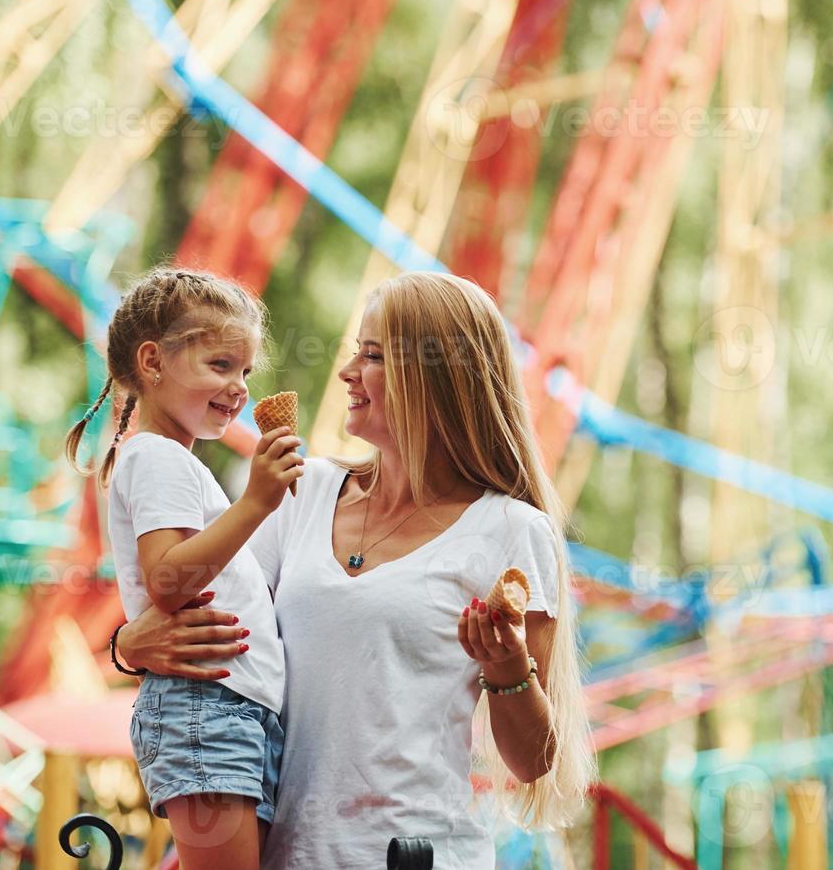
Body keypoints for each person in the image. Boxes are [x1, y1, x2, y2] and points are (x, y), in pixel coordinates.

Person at [115, 271, 596, 867]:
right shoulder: (299, 492)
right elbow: (208, 615)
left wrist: (506, 669)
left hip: (414, 855)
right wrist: (128, 645)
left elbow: (532, 761)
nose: (346, 373)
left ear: (435, 379)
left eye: (371, 356)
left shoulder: (512, 531)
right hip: (283, 853)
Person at [65, 267, 304, 870]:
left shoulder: (169, 462)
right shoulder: (158, 459)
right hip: (207, 709)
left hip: (227, 709)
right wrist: (256, 503)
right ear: (153, 362)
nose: (240, 387)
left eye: (244, 371)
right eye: (220, 366)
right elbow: (167, 582)